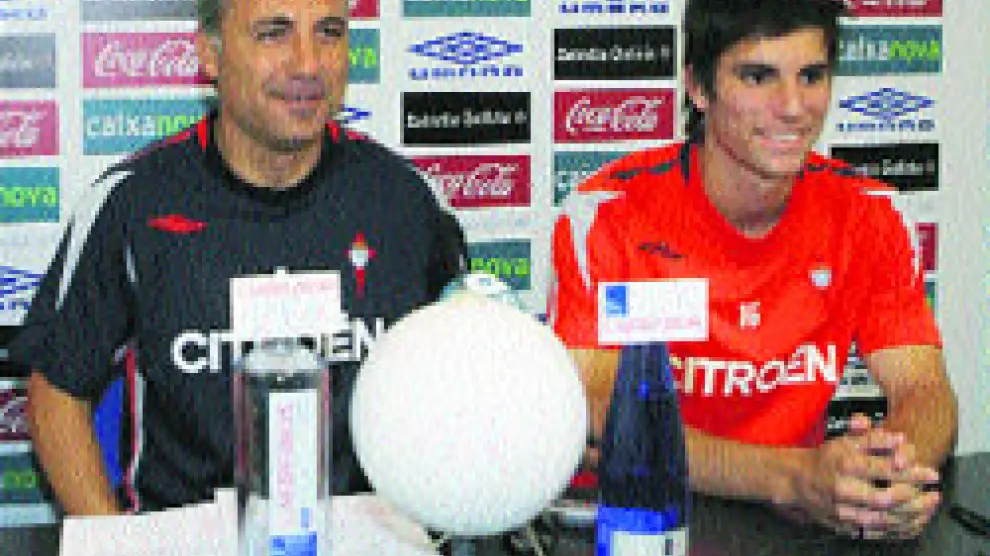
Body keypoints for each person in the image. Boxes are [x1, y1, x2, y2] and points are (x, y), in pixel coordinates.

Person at [10, 0, 465, 514]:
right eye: (274, 33)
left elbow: (467, 380)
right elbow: (56, 391)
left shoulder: (406, 201)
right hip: (186, 534)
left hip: (366, 532)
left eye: (329, 32)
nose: (308, 63)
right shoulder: (133, 204)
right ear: (210, 54)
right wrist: (116, 541)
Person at [548, 0, 958, 541]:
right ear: (698, 87)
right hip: (635, 527)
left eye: (811, 76)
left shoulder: (869, 214)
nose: (792, 107)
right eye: (758, 77)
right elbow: (601, 416)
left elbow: (925, 390)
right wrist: (791, 477)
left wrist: (888, 476)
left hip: (789, 528)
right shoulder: (608, 216)